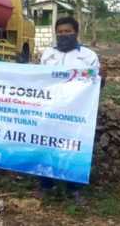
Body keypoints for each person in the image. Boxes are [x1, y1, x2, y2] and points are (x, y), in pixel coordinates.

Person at [36, 16, 101, 204]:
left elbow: (94, 83)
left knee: (73, 147)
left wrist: (100, 82)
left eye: (68, 31)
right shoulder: (48, 54)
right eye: (60, 32)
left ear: (76, 33)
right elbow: (39, 79)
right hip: (50, 108)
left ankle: (73, 189)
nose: (64, 35)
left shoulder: (88, 56)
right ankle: (45, 185)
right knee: (46, 145)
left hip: (75, 112)